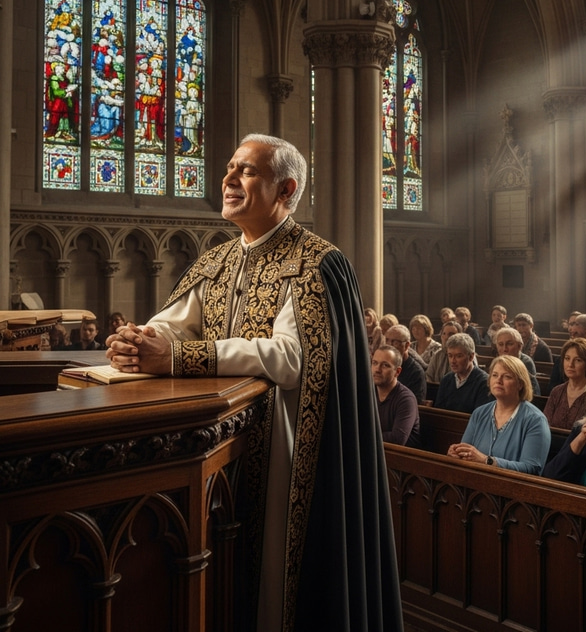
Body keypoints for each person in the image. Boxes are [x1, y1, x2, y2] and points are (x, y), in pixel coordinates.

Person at [105, 134, 402, 632]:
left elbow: (291, 358)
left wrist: (177, 357)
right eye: (229, 168)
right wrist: (141, 339)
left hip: (286, 453)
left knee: (274, 589)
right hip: (219, 449)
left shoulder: (315, 263)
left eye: (245, 171)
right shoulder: (216, 260)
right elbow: (176, 322)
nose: (227, 180)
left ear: (285, 189)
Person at [447, 355, 550, 474]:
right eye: (495, 375)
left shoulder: (535, 420)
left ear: (520, 384)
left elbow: (532, 469)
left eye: (507, 376)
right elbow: (466, 451)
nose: (498, 381)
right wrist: (457, 453)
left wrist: (487, 461)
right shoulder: (479, 413)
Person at [543, 338, 586, 430]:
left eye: (578, 360)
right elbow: (544, 425)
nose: (570, 364)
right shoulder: (557, 391)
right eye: (567, 358)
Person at [372, 344, 420, 447]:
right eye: (374, 363)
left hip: (401, 459)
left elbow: (398, 438)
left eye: (385, 365)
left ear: (397, 372)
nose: (377, 369)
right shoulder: (368, 393)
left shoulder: (406, 399)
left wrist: (363, 435)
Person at [434, 332, 492, 414]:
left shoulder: (484, 382)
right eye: (450, 356)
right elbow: (438, 413)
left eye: (458, 356)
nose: (453, 361)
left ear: (471, 357)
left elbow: (480, 418)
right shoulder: (446, 380)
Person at [550, 313, 586, 389]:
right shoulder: (562, 358)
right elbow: (552, 386)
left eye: (576, 325)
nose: (571, 329)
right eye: (571, 325)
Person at [384, 324, 427, 403]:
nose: (389, 346)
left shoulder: (416, 372)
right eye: (387, 340)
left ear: (406, 346)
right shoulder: (382, 365)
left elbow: (415, 404)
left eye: (395, 342)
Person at [494, 327, 541, 395]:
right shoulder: (497, 362)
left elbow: (526, 392)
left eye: (509, 344)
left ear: (519, 346)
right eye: (500, 344)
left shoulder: (525, 362)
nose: (505, 349)